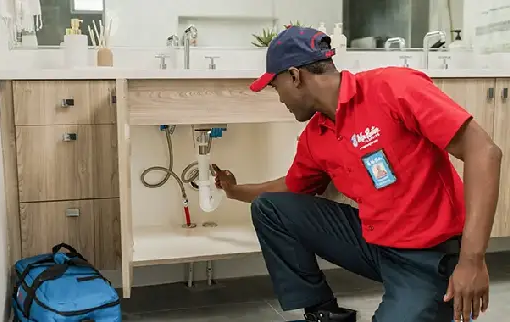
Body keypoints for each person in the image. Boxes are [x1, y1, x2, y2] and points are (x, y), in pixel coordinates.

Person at [213, 26, 502, 322]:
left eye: (276, 87)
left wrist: (472, 260)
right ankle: (323, 312)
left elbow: (484, 152)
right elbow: (290, 188)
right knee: (271, 208)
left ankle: (419, 293)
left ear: (295, 76)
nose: (280, 98)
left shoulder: (392, 88)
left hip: (428, 256)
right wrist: (234, 191)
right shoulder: (316, 135)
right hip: (375, 243)